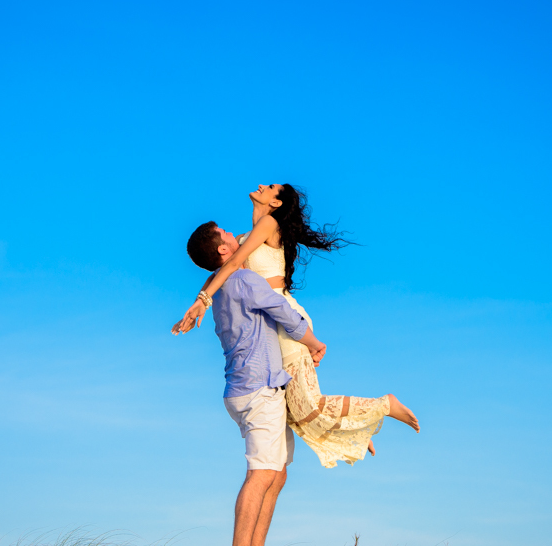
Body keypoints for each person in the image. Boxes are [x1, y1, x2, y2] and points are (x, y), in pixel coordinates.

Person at [174, 184, 420, 468]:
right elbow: (222, 269)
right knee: (291, 410)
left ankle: (384, 405)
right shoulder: (243, 238)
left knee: (307, 406)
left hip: (284, 316)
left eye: (270, 188)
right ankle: (354, 428)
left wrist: (202, 301)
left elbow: (232, 265)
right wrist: (200, 300)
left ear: (276, 203)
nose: (262, 186)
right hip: (270, 326)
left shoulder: (268, 224)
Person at [184, 220, 328, 546]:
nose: (232, 233)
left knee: (277, 473)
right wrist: (314, 343)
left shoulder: (218, 287)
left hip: (248, 389)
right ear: (223, 249)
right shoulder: (244, 280)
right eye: (225, 233)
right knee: (261, 474)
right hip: (258, 389)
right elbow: (283, 313)